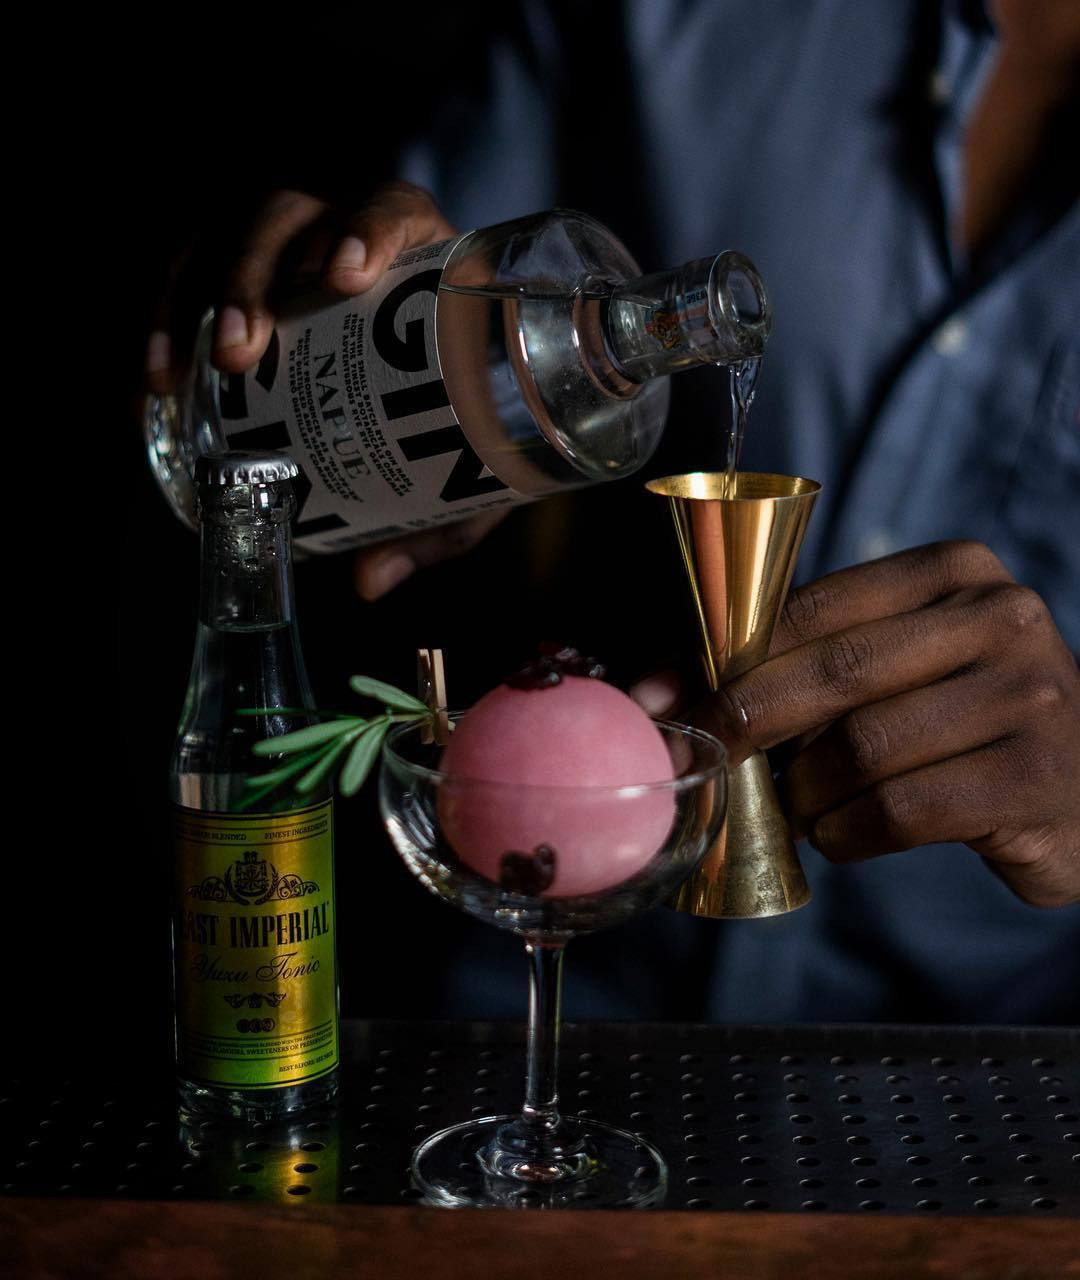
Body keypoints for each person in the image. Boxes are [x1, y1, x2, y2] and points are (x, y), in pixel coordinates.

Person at [147, 0, 1079, 1023]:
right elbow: (425, 275)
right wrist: (321, 281)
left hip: (991, 1046)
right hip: (536, 973)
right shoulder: (655, 17)